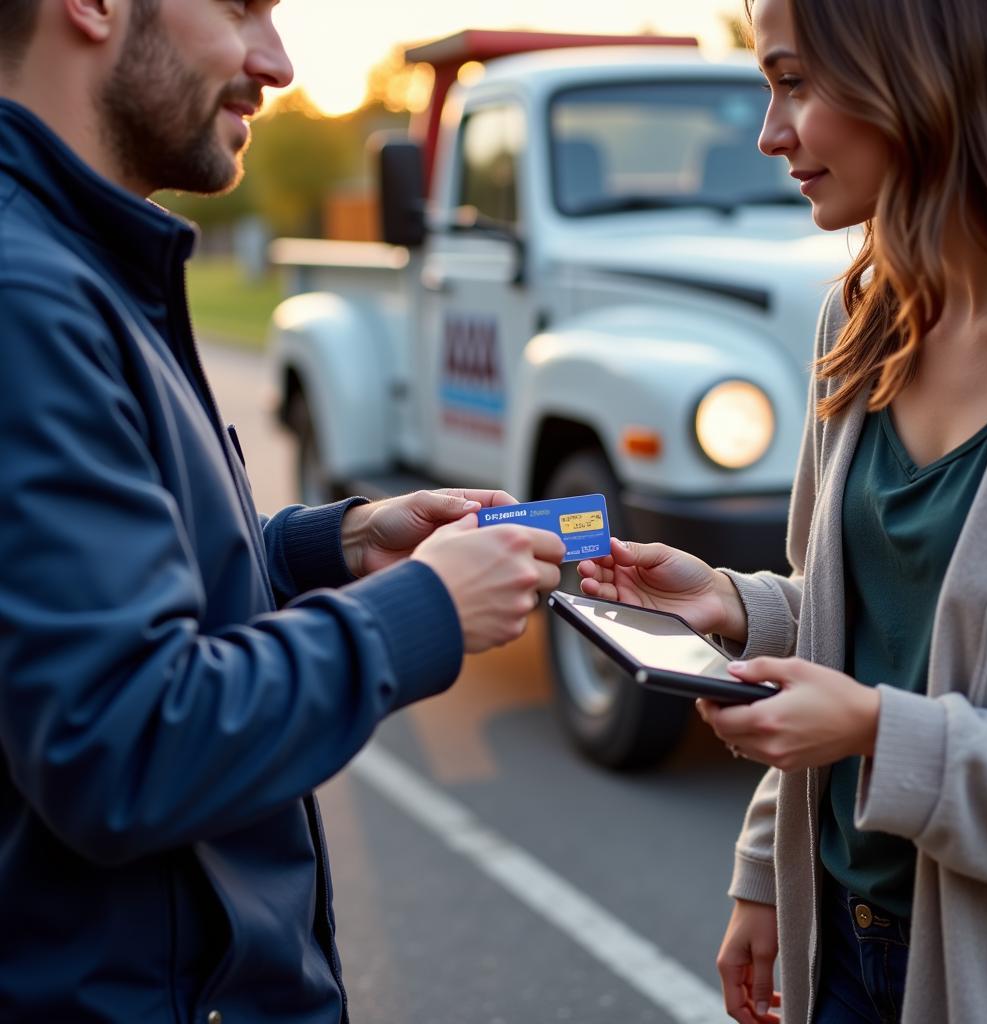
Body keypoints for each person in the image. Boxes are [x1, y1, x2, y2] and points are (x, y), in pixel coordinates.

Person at [0, 1, 565, 1020]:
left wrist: (332, 543)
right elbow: (120, 739)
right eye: (241, 8)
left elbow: (103, 596)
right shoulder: (31, 297)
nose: (281, 62)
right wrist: (424, 610)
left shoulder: (79, 268)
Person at [579, 0, 987, 1021]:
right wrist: (738, 606)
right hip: (842, 935)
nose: (767, 134)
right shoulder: (858, 324)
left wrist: (870, 729)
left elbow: (872, 701)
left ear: (915, 75)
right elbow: (865, 622)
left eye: (793, 84)